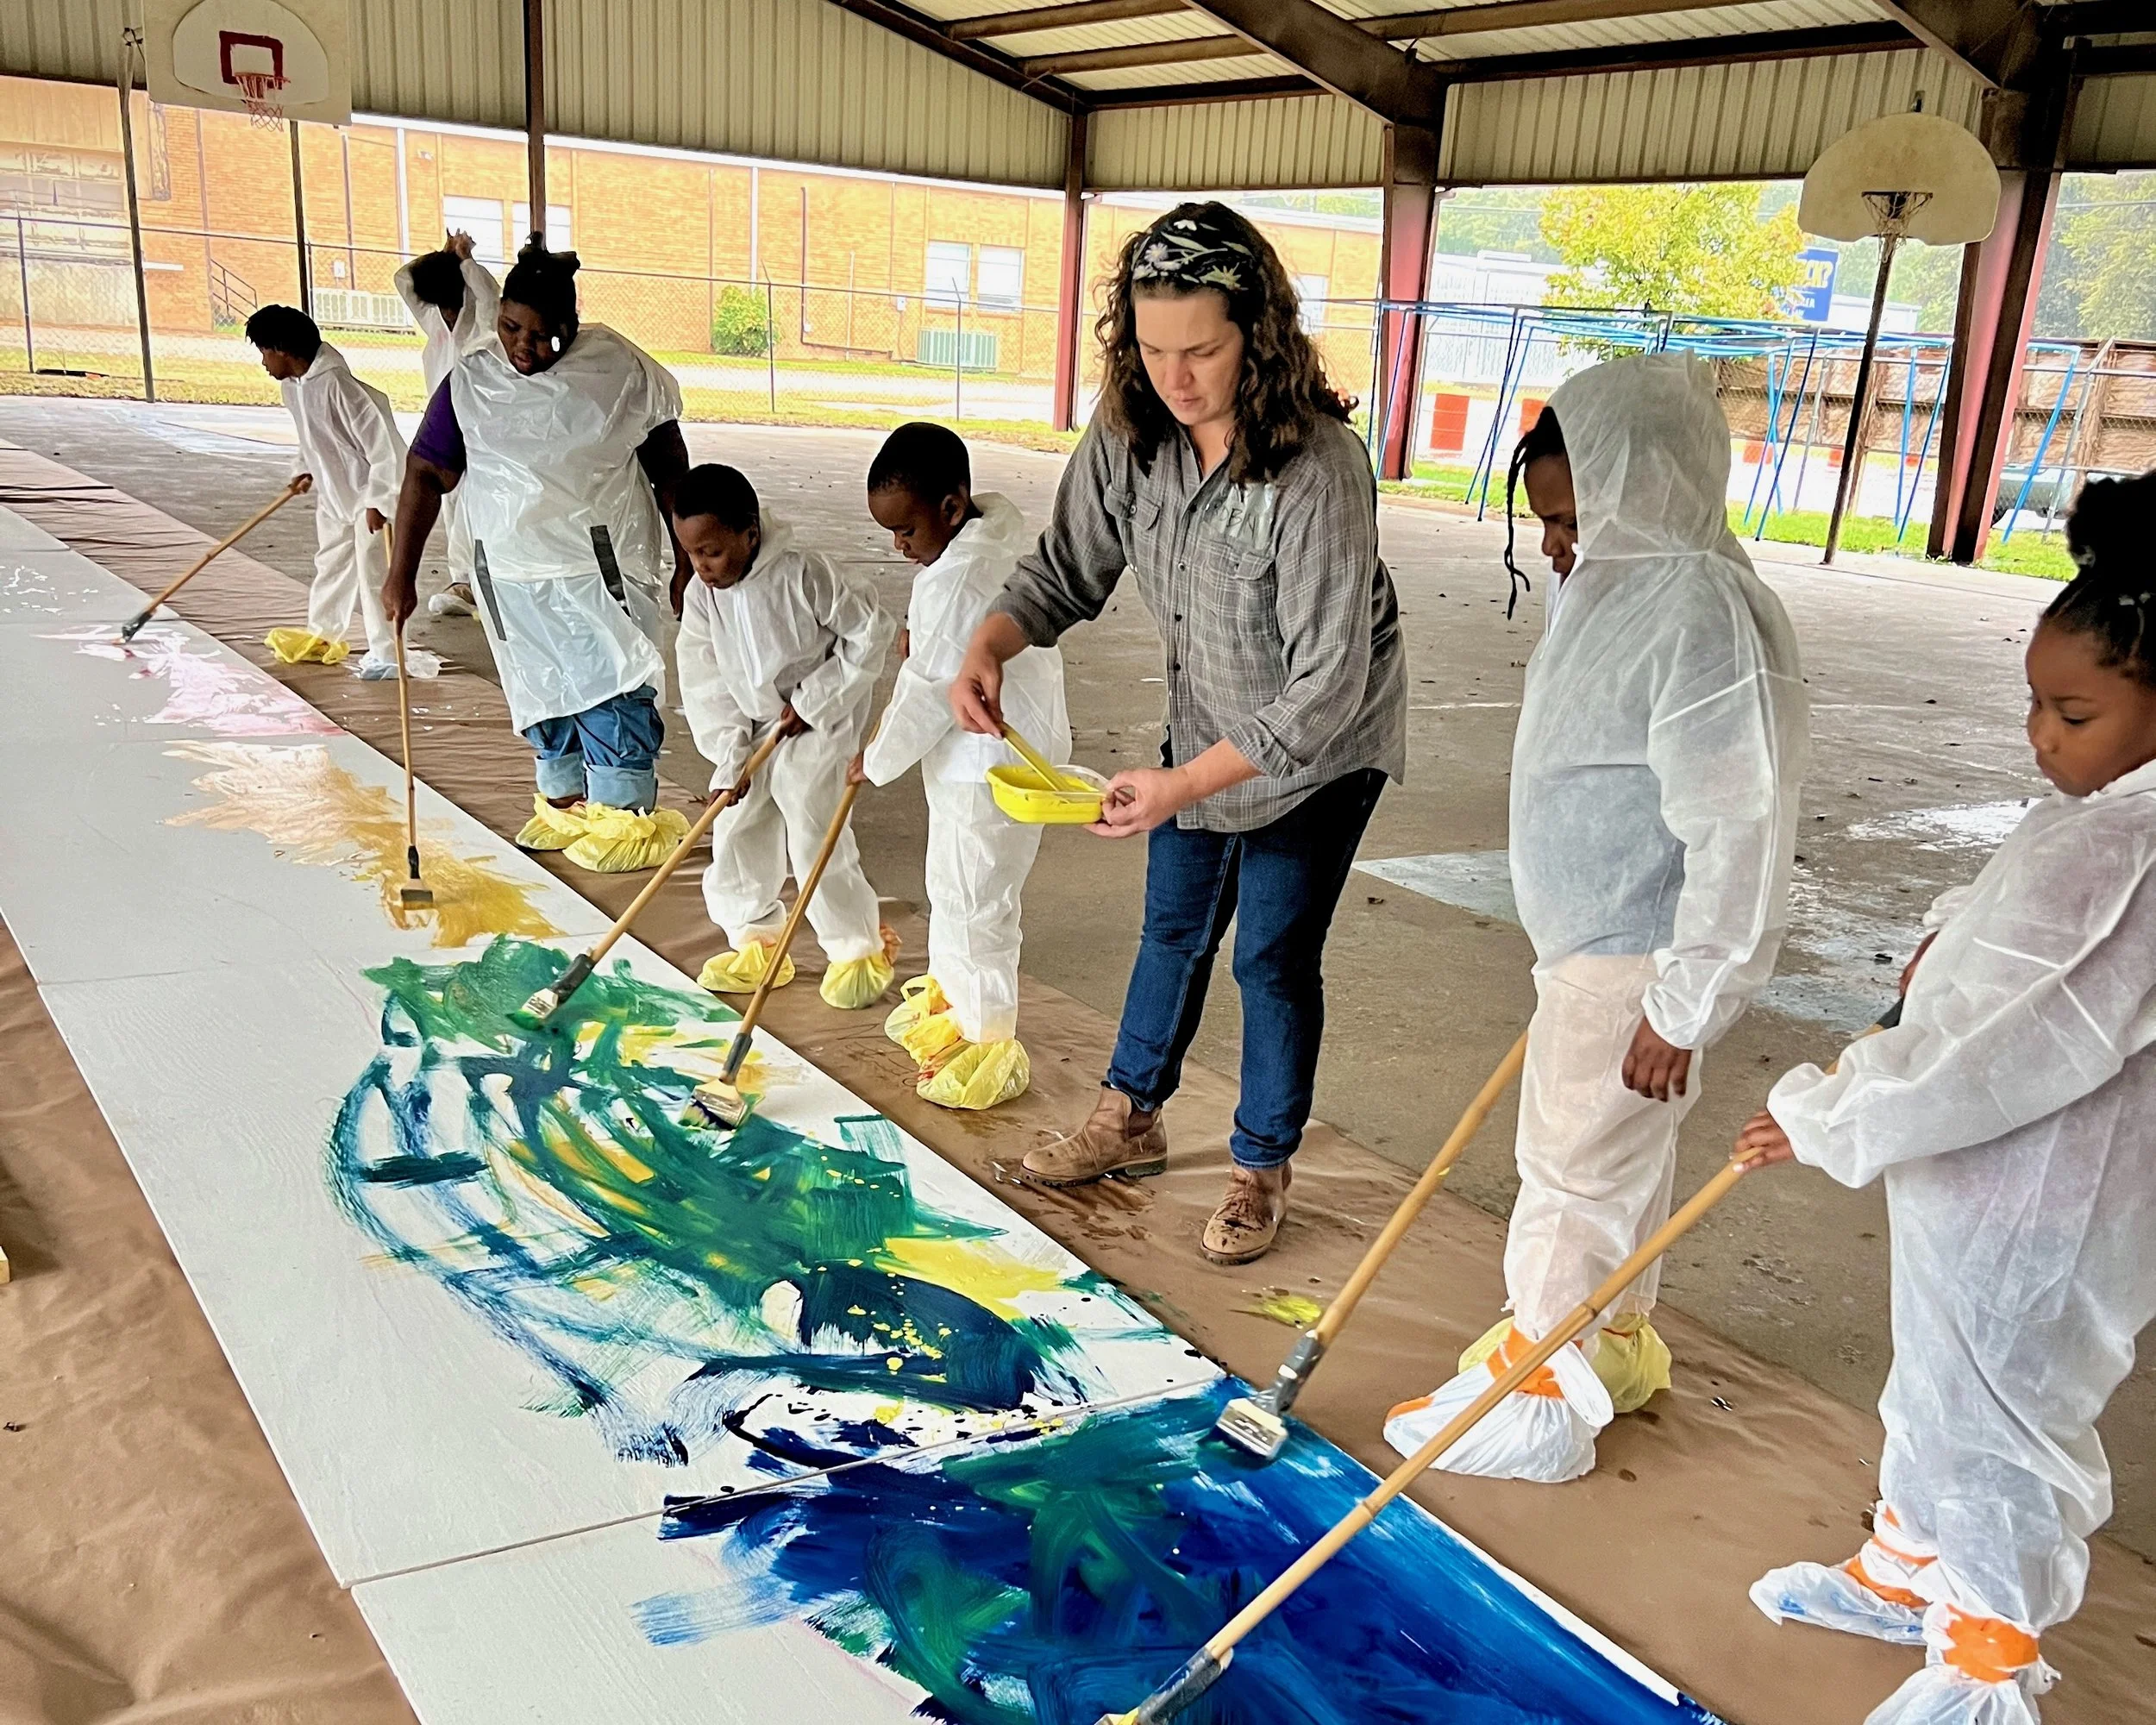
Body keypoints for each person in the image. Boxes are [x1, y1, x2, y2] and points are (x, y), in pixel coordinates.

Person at [1741, 470, 2156, 1725]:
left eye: (2072, 712)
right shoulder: (2103, 813)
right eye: (2034, 703)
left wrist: (1832, 1109)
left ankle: (1988, 1650)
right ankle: (1909, 1565)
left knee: (2006, 1406)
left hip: (2047, 1189)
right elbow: (1989, 959)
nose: (2042, 737)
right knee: (1938, 1376)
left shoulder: (2133, 849)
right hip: (1980, 1178)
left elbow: (2006, 1045)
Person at [949, 201, 1407, 1265]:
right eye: (1154, 350)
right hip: (1207, 721)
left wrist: (1180, 786)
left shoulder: (1316, 467)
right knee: (1172, 925)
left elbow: (1325, 682)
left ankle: (1258, 1165)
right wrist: (990, 642)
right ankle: (1129, 1117)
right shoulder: (1130, 438)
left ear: (1260, 336)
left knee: (1273, 955)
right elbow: (1064, 566)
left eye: (1201, 349)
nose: (1177, 376)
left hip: (1322, 748)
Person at [1384, 354, 1808, 1483]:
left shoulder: (1700, 611)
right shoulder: (1631, 593)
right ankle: (1609, 1341)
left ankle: (1538, 1388)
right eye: (1547, 525)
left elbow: (1740, 825)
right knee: (1617, 1162)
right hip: (1601, 945)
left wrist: (1689, 998)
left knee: (1571, 1167)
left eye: (1574, 520)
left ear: (1651, 491)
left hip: (1640, 952)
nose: (1557, 548)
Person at [384, 242, 691, 874]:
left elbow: (669, 468)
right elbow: (423, 473)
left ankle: (625, 817)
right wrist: (401, 574)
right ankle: (564, 804)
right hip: (510, 572)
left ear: (572, 326)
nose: (526, 347)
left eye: (546, 337)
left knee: (612, 682)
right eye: (511, 329)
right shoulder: (471, 381)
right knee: (539, 688)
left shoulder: (617, 369)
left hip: (596, 567)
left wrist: (689, 556)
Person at [851, 422, 1069, 1109]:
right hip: (975, 756)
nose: (899, 546)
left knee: (978, 898)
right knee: (951, 884)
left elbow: (927, 687)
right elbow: (936, 651)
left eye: (907, 531)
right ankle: (956, 1009)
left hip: (994, 762)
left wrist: (875, 756)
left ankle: (984, 1041)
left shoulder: (966, 571)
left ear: (951, 508)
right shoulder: (973, 547)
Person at [674, 463, 896, 1011]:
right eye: (691, 554)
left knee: (811, 824)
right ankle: (757, 938)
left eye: (713, 552)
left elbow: (870, 631)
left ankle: (857, 948)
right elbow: (702, 674)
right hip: (753, 723)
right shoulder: (705, 595)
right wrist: (729, 756)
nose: (702, 567)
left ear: (751, 533)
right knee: (736, 823)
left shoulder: (804, 573)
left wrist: (816, 699)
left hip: (820, 719)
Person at [245, 304, 431, 681]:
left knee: (376, 572)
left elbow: (386, 448)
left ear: (283, 349)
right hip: (334, 495)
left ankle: (388, 652)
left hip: (368, 500)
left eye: (265, 352)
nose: (263, 362)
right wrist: (304, 469)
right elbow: (311, 437)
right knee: (330, 563)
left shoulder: (341, 388)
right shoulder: (293, 388)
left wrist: (379, 500)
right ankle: (323, 633)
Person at [392, 230, 499, 620]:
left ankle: (483, 578)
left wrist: (465, 258)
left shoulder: (483, 314)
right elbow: (404, 278)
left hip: (481, 417)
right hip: (443, 421)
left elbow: (488, 292)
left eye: (452, 303)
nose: (449, 312)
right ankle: (463, 581)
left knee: (476, 499)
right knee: (450, 500)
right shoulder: (432, 315)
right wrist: (443, 254)